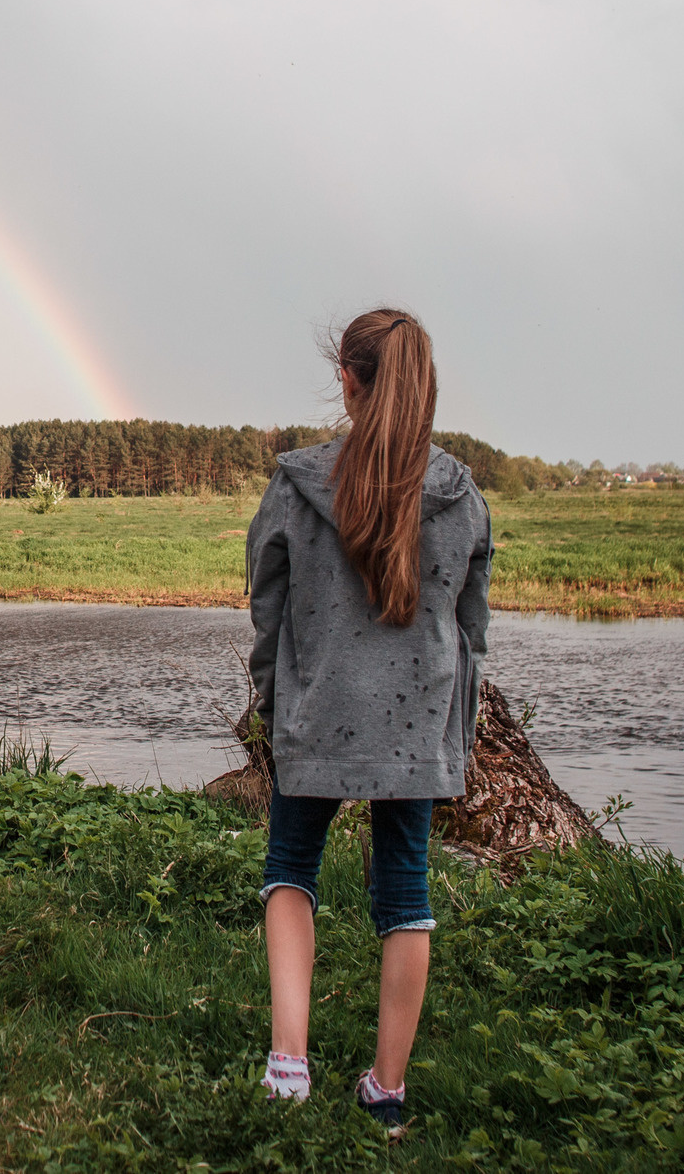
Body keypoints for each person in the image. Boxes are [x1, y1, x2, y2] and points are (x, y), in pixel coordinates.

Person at [245, 309, 492, 1136]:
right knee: (406, 892)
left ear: (347, 380)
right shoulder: (462, 498)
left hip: (318, 714)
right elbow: (473, 631)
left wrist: (271, 705)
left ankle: (289, 1063)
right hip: (417, 726)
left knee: (291, 870)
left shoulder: (295, 483)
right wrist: (452, 725)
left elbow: (267, 613)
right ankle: (387, 1088)